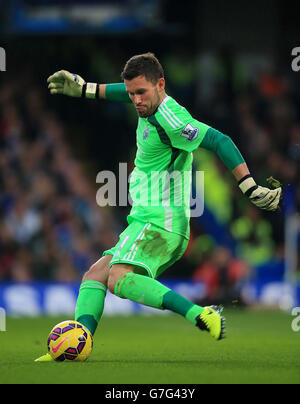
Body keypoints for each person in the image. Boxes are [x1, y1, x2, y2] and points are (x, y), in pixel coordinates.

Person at [35, 53, 281, 361]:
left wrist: (249, 185)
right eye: (131, 94)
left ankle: (200, 314)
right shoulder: (145, 102)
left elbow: (220, 139)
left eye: (141, 93)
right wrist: (86, 89)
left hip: (162, 221)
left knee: (118, 277)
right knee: (94, 277)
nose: (135, 100)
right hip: (145, 219)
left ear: (160, 84)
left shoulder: (171, 117)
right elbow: (125, 92)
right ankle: (78, 343)